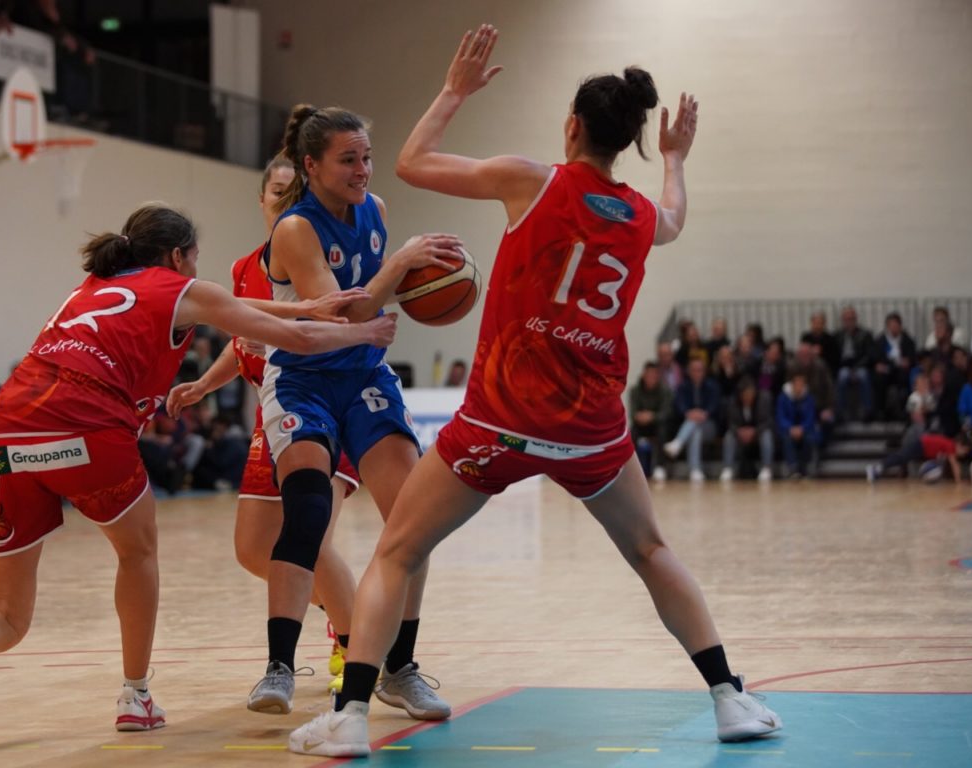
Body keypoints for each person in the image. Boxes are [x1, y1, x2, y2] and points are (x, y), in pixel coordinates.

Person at [288, 26, 779, 757]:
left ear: (572, 127)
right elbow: (675, 217)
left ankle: (351, 717)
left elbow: (412, 163)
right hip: (591, 428)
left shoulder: (532, 180)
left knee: (397, 553)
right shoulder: (642, 216)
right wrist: (674, 161)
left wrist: (455, 90)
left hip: (499, 421)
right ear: (629, 142)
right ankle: (729, 696)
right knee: (650, 550)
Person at [0, 202, 395, 736]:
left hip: (9, 432)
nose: (197, 267)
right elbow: (292, 337)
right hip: (86, 425)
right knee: (138, 552)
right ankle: (135, 695)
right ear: (177, 256)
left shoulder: (91, 286)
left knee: (7, 616)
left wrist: (316, 302)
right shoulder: (180, 288)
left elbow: (246, 307)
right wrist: (365, 334)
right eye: (194, 257)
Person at [243, 97, 463, 721]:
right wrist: (401, 264)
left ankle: (401, 669)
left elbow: (371, 314)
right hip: (304, 377)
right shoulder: (295, 228)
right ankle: (279, 669)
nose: (363, 170)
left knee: (414, 522)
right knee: (308, 511)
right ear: (311, 165)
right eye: (348, 160)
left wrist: (415, 276)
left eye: (366, 157)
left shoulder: (377, 210)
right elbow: (339, 315)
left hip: (363, 375)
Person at [166, 156, 363, 694]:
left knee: (311, 538)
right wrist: (205, 384)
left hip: (325, 404)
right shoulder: (243, 267)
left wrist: (278, 335)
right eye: (275, 191)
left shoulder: (315, 249)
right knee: (254, 548)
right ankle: (349, 609)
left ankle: (359, 644)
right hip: (270, 413)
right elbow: (240, 340)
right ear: (261, 199)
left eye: (290, 191)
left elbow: (333, 321)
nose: (282, 199)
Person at [663, 358, 721, 482]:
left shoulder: (712, 386)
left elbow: (715, 406)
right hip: (691, 425)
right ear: (689, 371)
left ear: (704, 371)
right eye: (694, 370)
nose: (697, 373)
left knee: (694, 424)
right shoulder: (683, 386)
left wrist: (704, 413)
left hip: (709, 425)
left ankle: (678, 442)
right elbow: (679, 405)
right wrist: (688, 412)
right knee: (695, 431)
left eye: (699, 370)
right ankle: (695, 470)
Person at [720, 378, 774, 482]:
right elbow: (730, 423)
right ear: (740, 395)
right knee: (728, 436)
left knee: (767, 435)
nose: (748, 397)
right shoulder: (733, 402)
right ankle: (728, 468)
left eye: (750, 394)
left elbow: (767, 422)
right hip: (740, 434)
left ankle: (766, 468)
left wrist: (754, 431)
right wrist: (739, 431)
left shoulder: (763, 400)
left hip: (758, 432)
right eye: (745, 395)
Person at [629, 361, 672, 482]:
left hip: (657, 424)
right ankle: (631, 468)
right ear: (643, 375)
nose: (651, 378)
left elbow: (666, 413)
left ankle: (660, 467)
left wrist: (652, 416)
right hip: (640, 425)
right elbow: (633, 413)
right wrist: (640, 417)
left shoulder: (664, 391)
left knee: (662, 430)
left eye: (654, 375)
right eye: (648, 374)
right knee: (631, 433)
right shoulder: (635, 390)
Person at [776, 371, 819, 478]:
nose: (799, 386)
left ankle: (805, 467)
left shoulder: (809, 398)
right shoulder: (783, 397)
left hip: (804, 429)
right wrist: (790, 428)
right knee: (786, 438)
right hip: (788, 429)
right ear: (792, 384)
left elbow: (810, 417)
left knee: (809, 438)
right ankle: (792, 467)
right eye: (797, 383)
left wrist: (801, 428)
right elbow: (780, 416)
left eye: (801, 383)